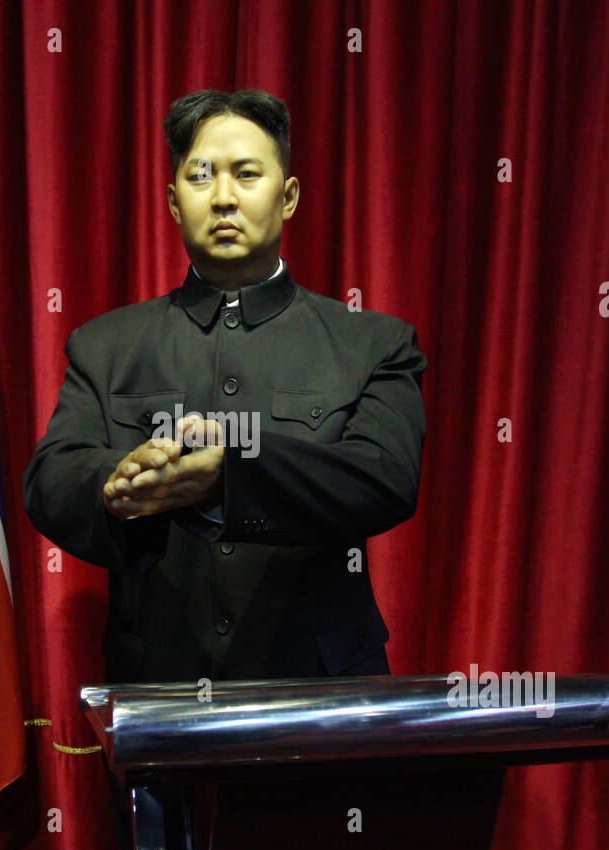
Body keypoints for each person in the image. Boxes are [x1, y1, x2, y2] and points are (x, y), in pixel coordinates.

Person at [22, 88, 427, 684]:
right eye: (202, 177)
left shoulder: (374, 343)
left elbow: (383, 477)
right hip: (158, 695)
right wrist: (118, 482)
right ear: (173, 201)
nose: (224, 198)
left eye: (247, 174)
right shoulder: (104, 345)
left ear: (287, 197)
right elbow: (51, 478)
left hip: (321, 699)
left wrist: (231, 476)